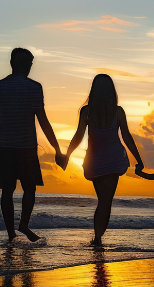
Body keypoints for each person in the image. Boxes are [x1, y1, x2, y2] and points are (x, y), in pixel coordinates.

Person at [0, 48, 66, 242]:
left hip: (3, 147)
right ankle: (23, 224)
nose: (31, 68)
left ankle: (11, 233)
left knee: (7, 190)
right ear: (25, 65)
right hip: (26, 147)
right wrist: (57, 148)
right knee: (29, 188)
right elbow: (43, 121)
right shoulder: (34, 87)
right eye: (30, 64)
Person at [60, 74, 145, 246]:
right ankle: (98, 237)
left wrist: (68, 155)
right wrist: (138, 159)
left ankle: (97, 237)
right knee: (106, 202)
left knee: (103, 201)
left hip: (94, 160)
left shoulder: (87, 111)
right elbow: (127, 137)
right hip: (112, 159)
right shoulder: (117, 111)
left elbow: (78, 135)